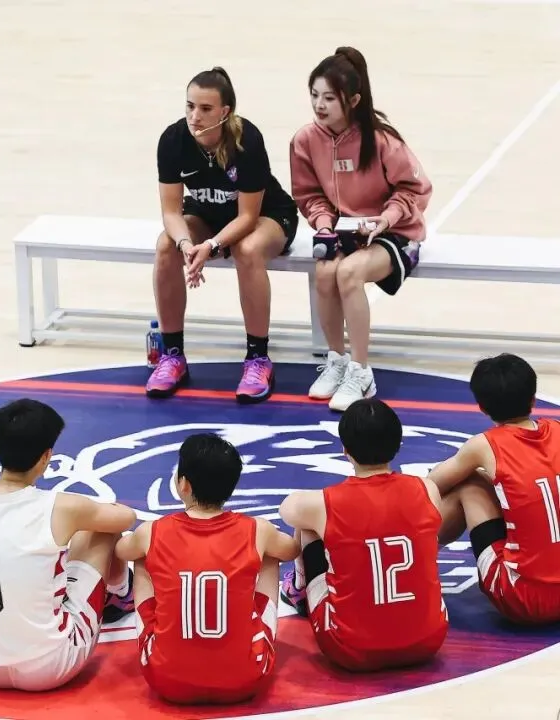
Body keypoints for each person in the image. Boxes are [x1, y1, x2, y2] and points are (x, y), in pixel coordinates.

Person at [0, 398, 137, 691]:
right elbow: (126, 518)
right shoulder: (62, 507)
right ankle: (121, 594)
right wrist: (84, 516)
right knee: (99, 529)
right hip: (49, 667)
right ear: (46, 456)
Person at [290, 47, 433, 411]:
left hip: (395, 231)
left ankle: (361, 371)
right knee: (325, 273)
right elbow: (309, 195)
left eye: (329, 98)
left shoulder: (382, 140)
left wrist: (386, 218)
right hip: (344, 230)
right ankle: (336, 361)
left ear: (353, 100)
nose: (319, 105)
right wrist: (324, 224)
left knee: (348, 273)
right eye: (314, 95)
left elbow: (416, 189)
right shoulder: (305, 141)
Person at [148, 66, 300, 404]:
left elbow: (247, 217)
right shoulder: (173, 140)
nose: (194, 116)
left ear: (225, 112)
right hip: (208, 215)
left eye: (205, 109)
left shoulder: (247, 140)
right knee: (165, 246)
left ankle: (258, 358)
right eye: (190, 106)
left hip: (267, 215)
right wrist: (186, 244)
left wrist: (213, 245)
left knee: (247, 249)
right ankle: (172, 355)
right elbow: (171, 212)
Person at [115, 433, 298, 704]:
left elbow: (121, 551)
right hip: (245, 680)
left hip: (167, 681)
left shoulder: (152, 531)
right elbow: (291, 550)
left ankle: (121, 599)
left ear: (183, 484)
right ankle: (295, 591)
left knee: (141, 557)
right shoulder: (257, 529)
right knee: (270, 556)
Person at [279, 398, 448, 671]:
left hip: (351, 649)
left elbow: (287, 509)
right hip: (428, 641)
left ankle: (297, 590)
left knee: (307, 525)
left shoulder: (325, 503)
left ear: (345, 449)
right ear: (398, 444)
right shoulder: (427, 489)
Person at [428, 354, 560, 624]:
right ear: (533, 399)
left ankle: (413, 556)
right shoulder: (557, 430)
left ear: (482, 407)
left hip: (523, 599)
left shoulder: (485, 445)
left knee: (469, 483)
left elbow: (433, 482)